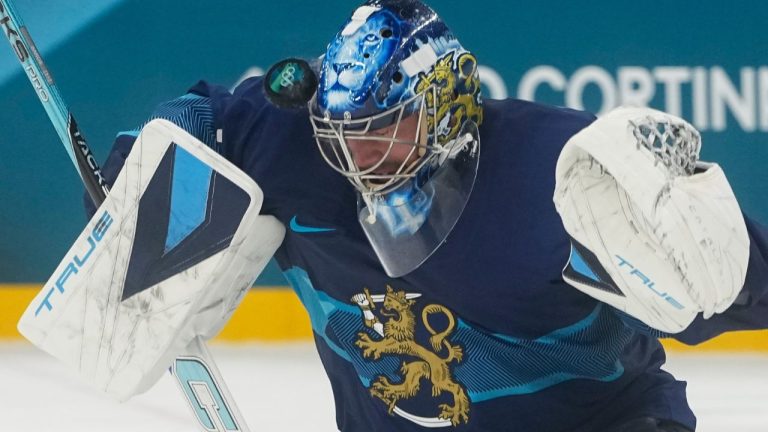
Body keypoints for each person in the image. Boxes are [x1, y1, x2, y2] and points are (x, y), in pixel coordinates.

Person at [90, 1, 768, 430]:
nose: (357, 155)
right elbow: (199, 117)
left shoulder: (555, 172)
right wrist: (133, 183)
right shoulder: (288, 145)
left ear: (444, 108)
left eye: (383, 130)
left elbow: (725, 283)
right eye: (342, 130)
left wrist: (716, 262)